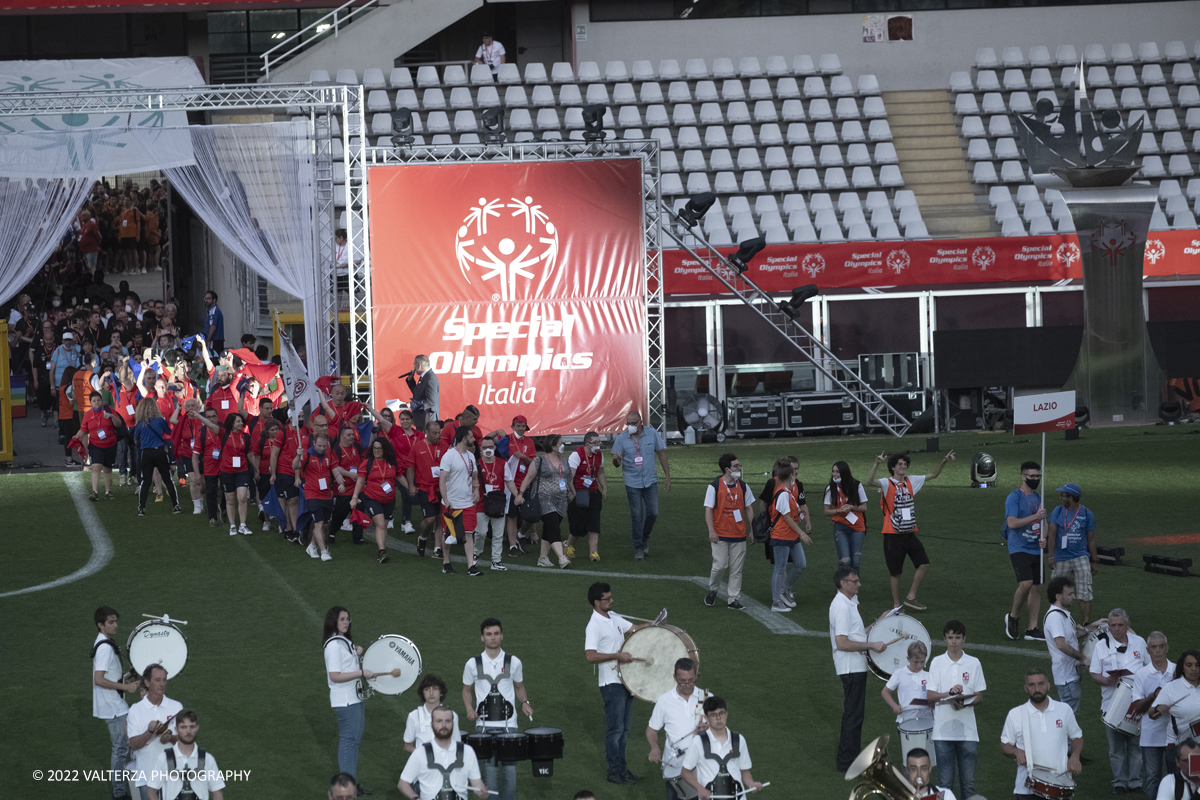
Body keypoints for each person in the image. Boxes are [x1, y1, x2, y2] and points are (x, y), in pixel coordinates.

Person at [865, 449, 954, 612]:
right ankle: (896, 605)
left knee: (924, 563)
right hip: (892, 535)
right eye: (899, 464)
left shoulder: (911, 481)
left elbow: (933, 475)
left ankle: (911, 597)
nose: (903, 466)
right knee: (895, 572)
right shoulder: (887, 483)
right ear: (892, 467)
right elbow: (870, 481)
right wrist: (876, 464)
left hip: (909, 533)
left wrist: (943, 461)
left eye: (905, 464)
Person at [585, 582, 649, 784]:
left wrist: (656, 625)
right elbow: (590, 656)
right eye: (607, 599)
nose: (612, 601)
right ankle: (614, 772)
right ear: (597, 602)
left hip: (625, 681)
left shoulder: (612, 617)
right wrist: (617, 656)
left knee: (624, 730)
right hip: (611, 683)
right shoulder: (594, 625)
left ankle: (622, 770)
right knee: (615, 731)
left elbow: (635, 629)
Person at [462, 618, 532, 800]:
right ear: (482, 638)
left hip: (509, 726)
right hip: (483, 727)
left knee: (510, 774)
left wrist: (525, 702)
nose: (492, 638)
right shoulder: (472, 664)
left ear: (502, 636)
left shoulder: (514, 662)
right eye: (488, 634)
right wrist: (469, 708)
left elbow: (519, 687)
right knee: (490, 775)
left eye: (496, 634)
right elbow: (466, 690)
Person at [830, 566, 888, 772]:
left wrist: (879, 622)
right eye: (855, 581)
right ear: (843, 583)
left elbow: (855, 636)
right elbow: (842, 643)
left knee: (855, 715)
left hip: (854, 666)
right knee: (853, 716)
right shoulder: (842, 607)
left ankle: (849, 760)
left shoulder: (848, 604)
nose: (859, 584)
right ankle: (847, 762)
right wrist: (872, 645)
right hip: (850, 667)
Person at [1091, 608, 1150, 795]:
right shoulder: (1101, 646)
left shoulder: (1140, 642)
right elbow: (1094, 672)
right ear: (1108, 626)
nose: (1116, 629)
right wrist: (1105, 680)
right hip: (1111, 704)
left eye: (1120, 625)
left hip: (1137, 703)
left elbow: (1149, 668)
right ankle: (1119, 782)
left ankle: (1135, 781)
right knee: (1116, 748)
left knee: (1136, 745)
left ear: (1128, 625)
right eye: (1112, 625)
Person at [926, 620, 987, 800]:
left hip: (967, 732)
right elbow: (930, 695)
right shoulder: (937, 662)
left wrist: (965, 704)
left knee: (968, 784)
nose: (954, 642)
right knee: (945, 785)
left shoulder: (974, 663)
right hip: (942, 734)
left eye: (957, 637)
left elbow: (979, 695)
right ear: (944, 639)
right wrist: (950, 694)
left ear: (964, 639)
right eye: (950, 637)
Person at [1001, 668, 1084, 800]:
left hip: (1059, 786)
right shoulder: (1015, 714)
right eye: (1032, 685)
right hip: (1026, 789)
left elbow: (1077, 736)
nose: (1037, 689)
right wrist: (1016, 751)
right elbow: (1005, 744)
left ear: (1048, 685)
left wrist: (1074, 756)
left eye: (1041, 684)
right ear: (1026, 688)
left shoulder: (1064, 710)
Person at [324, 606, 376, 792]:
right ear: (334, 622)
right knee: (348, 741)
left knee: (354, 741)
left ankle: (351, 784)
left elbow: (345, 667)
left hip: (353, 697)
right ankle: (345, 787)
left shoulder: (343, 642)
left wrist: (356, 653)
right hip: (346, 700)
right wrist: (361, 672)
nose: (346, 622)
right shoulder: (333, 645)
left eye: (347, 618)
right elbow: (335, 676)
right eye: (342, 619)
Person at [92, 606, 140, 800]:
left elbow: (109, 676)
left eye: (115, 621)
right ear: (100, 625)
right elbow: (99, 679)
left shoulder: (105, 643)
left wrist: (127, 679)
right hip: (113, 708)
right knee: (120, 750)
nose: (115, 625)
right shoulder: (104, 648)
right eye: (110, 622)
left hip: (115, 705)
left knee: (124, 747)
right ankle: (119, 794)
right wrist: (126, 688)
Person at [610, 409, 671, 561]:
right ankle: (639, 547)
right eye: (627, 423)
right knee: (636, 516)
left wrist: (667, 476)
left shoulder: (652, 434)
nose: (630, 426)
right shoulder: (622, 438)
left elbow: (661, 453)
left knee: (653, 512)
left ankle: (644, 539)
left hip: (650, 480)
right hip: (632, 482)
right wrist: (616, 459)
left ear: (640, 422)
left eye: (633, 423)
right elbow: (616, 463)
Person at [647, 658, 710, 800]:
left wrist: (709, 728)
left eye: (691, 680)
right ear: (675, 677)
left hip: (701, 765)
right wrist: (654, 747)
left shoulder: (706, 699)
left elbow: (722, 731)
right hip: (674, 765)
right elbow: (652, 729)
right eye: (683, 681)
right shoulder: (664, 701)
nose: (687, 685)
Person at [679, 696, 763, 800]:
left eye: (721, 713)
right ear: (706, 718)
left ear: (726, 714)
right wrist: (699, 788)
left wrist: (751, 783)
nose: (718, 718)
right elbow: (685, 771)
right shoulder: (698, 742)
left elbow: (744, 771)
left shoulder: (739, 739)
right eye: (713, 715)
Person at [399, 706, 489, 800]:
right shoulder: (420, 753)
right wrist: (415, 798)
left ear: (453, 724)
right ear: (431, 725)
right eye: (439, 721)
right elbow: (403, 783)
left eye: (448, 721)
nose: (444, 725)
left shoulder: (467, 751)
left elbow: (476, 781)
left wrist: (480, 789)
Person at [702, 453, 755, 610]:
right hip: (720, 533)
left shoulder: (743, 486)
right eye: (736, 466)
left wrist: (753, 529)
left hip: (739, 534)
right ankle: (713, 589)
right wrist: (711, 530)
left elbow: (749, 508)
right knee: (720, 566)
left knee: (736, 569)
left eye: (739, 465)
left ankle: (733, 599)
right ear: (727, 469)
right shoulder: (714, 486)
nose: (739, 468)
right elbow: (708, 510)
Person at [1003, 460, 1048, 641]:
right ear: (1023, 477)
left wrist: (1044, 537)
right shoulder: (1014, 497)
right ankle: (1013, 616)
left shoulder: (1039, 498)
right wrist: (1034, 517)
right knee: (1026, 583)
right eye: (1032, 476)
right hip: (1019, 547)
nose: (1035, 479)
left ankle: (1032, 628)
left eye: (1038, 476)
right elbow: (1012, 523)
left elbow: (1045, 522)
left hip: (1036, 548)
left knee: (1037, 587)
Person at [762, 457, 812, 612]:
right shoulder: (783, 493)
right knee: (780, 568)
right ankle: (776, 601)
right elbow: (787, 517)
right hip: (781, 536)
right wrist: (802, 533)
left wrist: (801, 513)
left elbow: (792, 513)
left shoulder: (788, 492)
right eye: (794, 473)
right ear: (790, 476)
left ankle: (784, 590)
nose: (795, 475)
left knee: (800, 564)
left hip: (790, 536)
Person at [126, 664, 183, 800]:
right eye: (157, 680)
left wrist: (170, 738)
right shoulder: (135, 710)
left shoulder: (176, 707)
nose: (162, 684)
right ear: (147, 682)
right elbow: (133, 744)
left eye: (164, 680)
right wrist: (149, 732)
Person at [517, 434, 573, 569]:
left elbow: (568, 478)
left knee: (549, 529)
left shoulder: (564, 461)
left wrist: (572, 491)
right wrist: (520, 494)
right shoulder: (539, 461)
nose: (563, 446)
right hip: (544, 498)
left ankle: (543, 558)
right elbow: (528, 478)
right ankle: (561, 557)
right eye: (560, 444)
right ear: (553, 446)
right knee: (554, 527)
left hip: (561, 499)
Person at [1047, 483, 1099, 624]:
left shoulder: (1087, 514)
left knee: (1085, 591)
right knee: (1057, 592)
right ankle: (1057, 621)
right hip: (1061, 558)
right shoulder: (1057, 512)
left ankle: (1086, 623)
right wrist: (1051, 556)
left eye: (1063, 495)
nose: (1060, 498)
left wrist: (1094, 561)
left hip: (1080, 556)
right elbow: (1051, 535)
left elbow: (1091, 539)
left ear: (1070, 497)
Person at [1043, 577, 1097, 714]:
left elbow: (1070, 637)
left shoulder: (1061, 615)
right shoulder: (1055, 618)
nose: (1074, 597)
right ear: (1058, 596)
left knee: (1068, 720)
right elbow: (1061, 645)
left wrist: (1092, 626)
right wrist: (1083, 658)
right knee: (1067, 721)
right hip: (1066, 677)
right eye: (1070, 594)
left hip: (1070, 675)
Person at [195, 412, 254, 536]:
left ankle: (242, 525)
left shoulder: (246, 436)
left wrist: (257, 469)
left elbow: (249, 454)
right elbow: (210, 425)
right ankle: (233, 526)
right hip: (227, 471)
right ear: (231, 423)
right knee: (230, 499)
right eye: (238, 421)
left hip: (242, 471)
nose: (241, 424)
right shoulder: (224, 433)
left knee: (242, 497)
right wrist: (198, 415)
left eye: (241, 421)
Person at [145, 710, 226, 800]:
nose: (188, 731)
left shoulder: (208, 759)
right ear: (176, 729)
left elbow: (217, 792)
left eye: (192, 727)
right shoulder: (163, 758)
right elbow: (151, 791)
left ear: (197, 728)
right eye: (183, 727)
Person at [1133, 633, 1176, 800]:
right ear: (1148, 650)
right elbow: (1138, 708)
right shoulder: (1142, 674)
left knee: (1176, 778)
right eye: (1154, 647)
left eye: (1161, 646)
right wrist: (1153, 696)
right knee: (1152, 780)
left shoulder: (1176, 672)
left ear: (1167, 648)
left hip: (1174, 736)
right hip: (1150, 737)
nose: (1158, 651)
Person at [350, 437, 400, 564]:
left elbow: (399, 476)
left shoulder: (392, 462)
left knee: (384, 525)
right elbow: (360, 481)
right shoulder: (367, 463)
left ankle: (382, 547)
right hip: (372, 498)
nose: (376, 451)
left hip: (390, 499)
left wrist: (410, 488)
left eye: (379, 448)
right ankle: (381, 551)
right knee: (381, 524)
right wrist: (354, 497)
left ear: (385, 449)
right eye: (375, 448)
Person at [440, 425, 481, 576]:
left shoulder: (470, 456)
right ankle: (446, 562)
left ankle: (471, 566)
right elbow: (442, 480)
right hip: (451, 502)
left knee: (469, 533)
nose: (473, 439)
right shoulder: (449, 456)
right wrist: (446, 500)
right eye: (471, 437)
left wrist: (476, 489)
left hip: (468, 502)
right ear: (464, 438)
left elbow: (475, 476)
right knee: (449, 534)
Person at [1150, 651, 1200, 771]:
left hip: (1198, 747)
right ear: (1182, 667)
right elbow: (1152, 714)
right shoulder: (1171, 687)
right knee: (1180, 783)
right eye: (1189, 665)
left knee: (1197, 783)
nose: (1194, 669)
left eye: (1197, 665)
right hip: (1178, 747)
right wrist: (1158, 708)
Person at [133, 398, 180, 516]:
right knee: (167, 479)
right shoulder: (160, 420)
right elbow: (170, 432)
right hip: (160, 451)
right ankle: (175, 506)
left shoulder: (140, 423)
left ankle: (141, 508)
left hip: (146, 453)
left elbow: (135, 439)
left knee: (146, 481)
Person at [406, 419, 446, 560]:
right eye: (434, 433)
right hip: (425, 488)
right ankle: (422, 537)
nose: (437, 436)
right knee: (429, 519)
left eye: (439, 433)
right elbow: (410, 467)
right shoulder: (417, 447)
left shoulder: (445, 446)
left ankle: (437, 549)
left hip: (442, 487)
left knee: (440, 518)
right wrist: (411, 485)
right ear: (426, 432)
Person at [565, 431, 607, 563]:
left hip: (593, 492)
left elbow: (600, 473)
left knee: (594, 523)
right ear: (587, 444)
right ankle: (568, 545)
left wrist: (604, 487)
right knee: (578, 527)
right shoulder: (576, 455)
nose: (598, 445)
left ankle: (593, 553)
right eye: (595, 443)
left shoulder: (599, 455)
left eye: (598, 442)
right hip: (578, 492)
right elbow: (570, 476)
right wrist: (572, 492)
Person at [823, 460, 869, 574]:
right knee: (844, 562)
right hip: (840, 526)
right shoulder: (830, 488)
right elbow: (826, 511)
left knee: (855, 562)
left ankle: (853, 590)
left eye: (837, 472)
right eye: (833, 471)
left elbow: (864, 507)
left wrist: (851, 507)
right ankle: (842, 590)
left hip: (857, 527)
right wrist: (838, 510)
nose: (834, 474)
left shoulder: (857, 485)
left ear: (844, 473)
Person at [297, 431, 337, 561]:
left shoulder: (328, 455)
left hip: (326, 494)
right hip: (312, 494)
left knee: (324, 524)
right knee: (318, 523)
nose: (322, 448)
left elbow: (334, 470)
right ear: (314, 443)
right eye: (319, 445)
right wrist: (297, 457)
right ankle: (324, 551)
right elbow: (295, 466)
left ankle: (312, 546)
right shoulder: (306, 455)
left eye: (324, 446)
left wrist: (340, 481)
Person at [75, 390, 121, 500]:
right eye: (94, 401)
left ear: (102, 401)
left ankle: (108, 491)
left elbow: (119, 424)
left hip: (110, 444)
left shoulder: (109, 410)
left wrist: (112, 417)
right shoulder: (88, 414)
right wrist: (76, 437)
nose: (97, 403)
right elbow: (83, 430)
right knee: (96, 467)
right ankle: (94, 492)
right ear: (90, 402)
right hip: (95, 444)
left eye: (99, 400)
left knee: (107, 468)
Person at [883, 641, 934, 734]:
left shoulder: (929, 676)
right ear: (908, 659)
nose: (919, 665)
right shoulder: (899, 674)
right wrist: (894, 706)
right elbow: (885, 692)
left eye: (922, 662)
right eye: (916, 662)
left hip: (927, 719)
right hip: (905, 719)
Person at [474, 435, 509, 571]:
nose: (488, 449)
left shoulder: (503, 463)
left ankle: (496, 560)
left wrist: (518, 494)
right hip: (481, 503)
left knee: (498, 533)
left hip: (497, 502)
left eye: (490, 447)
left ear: (495, 447)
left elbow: (509, 480)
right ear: (480, 449)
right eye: (485, 447)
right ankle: (476, 553)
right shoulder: (477, 464)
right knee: (481, 532)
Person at [504, 415, 536, 556]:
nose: (521, 428)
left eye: (523, 426)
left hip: (526, 483)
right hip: (510, 483)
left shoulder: (530, 442)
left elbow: (534, 464)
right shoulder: (506, 440)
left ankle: (521, 535)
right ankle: (512, 546)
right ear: (512, 427)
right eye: (518, 426)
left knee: (530, 515)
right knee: (512, 515)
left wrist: (524, 457)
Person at [406, 675, 462, 753]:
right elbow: (407, 745)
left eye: (435, 689)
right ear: (422, 693)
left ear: (441, 692)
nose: (431, 693)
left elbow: (457, 743)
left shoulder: (452, 716)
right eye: (427, 689)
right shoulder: (413, 716)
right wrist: (421, 755)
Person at [406, 355, 439, 431]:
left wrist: (412, 405)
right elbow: (418, 394)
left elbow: (431, 402)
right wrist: (411, 380)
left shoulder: (430, 378)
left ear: (419, 365)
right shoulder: (424, 377)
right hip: (422, 421)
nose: (414, 367)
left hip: (427, 420)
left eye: (414, 364)